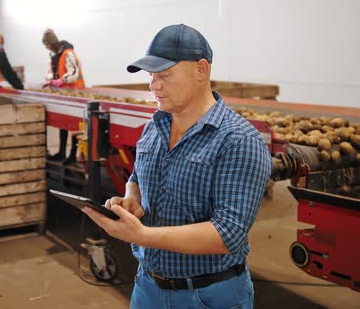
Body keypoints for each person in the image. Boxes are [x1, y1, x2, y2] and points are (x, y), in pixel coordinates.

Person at [82, 24, 272, 309]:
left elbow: (228, 233)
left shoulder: (238, 140)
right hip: (147, 286)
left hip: (207, 295)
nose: (153, 85)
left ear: (201, 70)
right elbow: (136, 176)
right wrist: (133, 199)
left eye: (165, 75)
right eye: (151, 76)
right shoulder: (154, 126)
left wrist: (143, 236)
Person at [42, 28, 85, 164]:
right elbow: (53, 72)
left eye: (48, 46)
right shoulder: (55, 57)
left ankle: (72, 155)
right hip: (63, 95)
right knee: (63, 124)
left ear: (53, 43)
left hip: (75, 93)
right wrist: (50, 80)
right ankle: (61, 152)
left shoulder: (68, 53)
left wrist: (61, 80)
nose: (48, 49)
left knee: (74, 126)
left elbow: (74, 72)